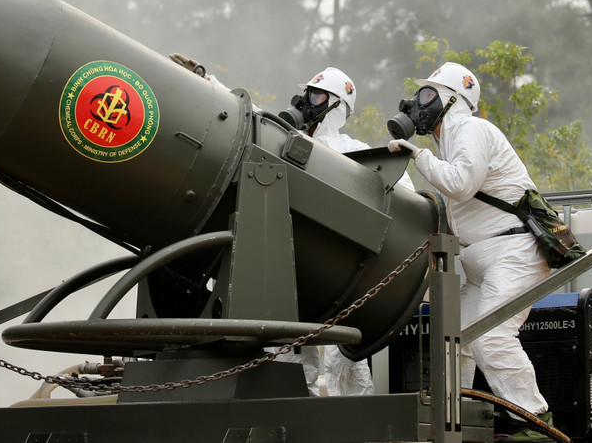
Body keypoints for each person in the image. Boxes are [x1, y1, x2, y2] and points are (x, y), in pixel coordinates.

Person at [170, 55, 413, 396]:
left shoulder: (355, 154)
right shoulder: (286, 141)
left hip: (333, 272)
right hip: (288, 265)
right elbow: (247, 122)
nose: (304, 103)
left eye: (315, 96)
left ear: (336, 106)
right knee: (287, 361)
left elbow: (401, 200)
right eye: (306, 95)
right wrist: (204, 79)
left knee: (343, 365)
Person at [386, 61, 552, 440]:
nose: (418, 103)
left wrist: (418, 156)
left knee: (491, 339)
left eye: (428, 95)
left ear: (452, 99)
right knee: (455, 340)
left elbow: (460, 185)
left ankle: (536, 425)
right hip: (483, 260)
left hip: (514, 252)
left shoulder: (472, 129)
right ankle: (455, 416)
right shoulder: (451, 143)